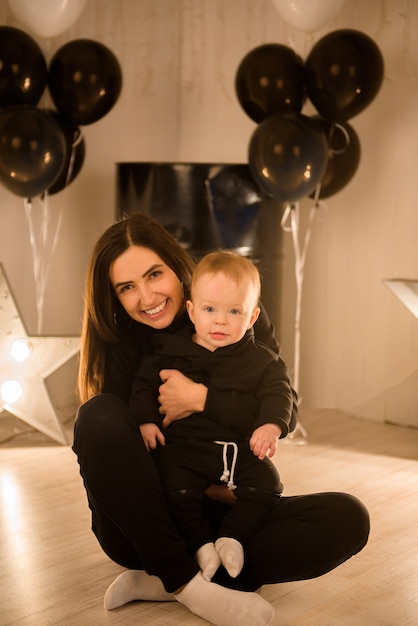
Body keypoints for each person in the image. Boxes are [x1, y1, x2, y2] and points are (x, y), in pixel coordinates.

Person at [73, 213, 370, 626]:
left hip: (230, 507)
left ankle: (167, 582)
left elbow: (283, 404)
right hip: (152, 520)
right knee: (98, 415)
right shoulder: (123, 343)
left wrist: (203, 400)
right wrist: (198, 483)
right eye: (127, 287)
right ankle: (188, 586)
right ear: (115, 297)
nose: (146, 296)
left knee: (347, 517)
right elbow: (123, 460)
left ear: (178, 268)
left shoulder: (238, 312)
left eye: (154, 274)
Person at [131, 250, 292, 582]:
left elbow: (280, 392)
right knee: (175, 488)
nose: (220, 320)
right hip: (185, 450)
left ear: (252, 318)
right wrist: (146, 420)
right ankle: (201, 544)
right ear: (191, 311)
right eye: (209, 309)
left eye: (234, 311)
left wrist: (271, 425)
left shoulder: (261, 360)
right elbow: (144, 384)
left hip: (236, 454)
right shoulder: (170, 351)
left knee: (268, 483)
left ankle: (232, 536)